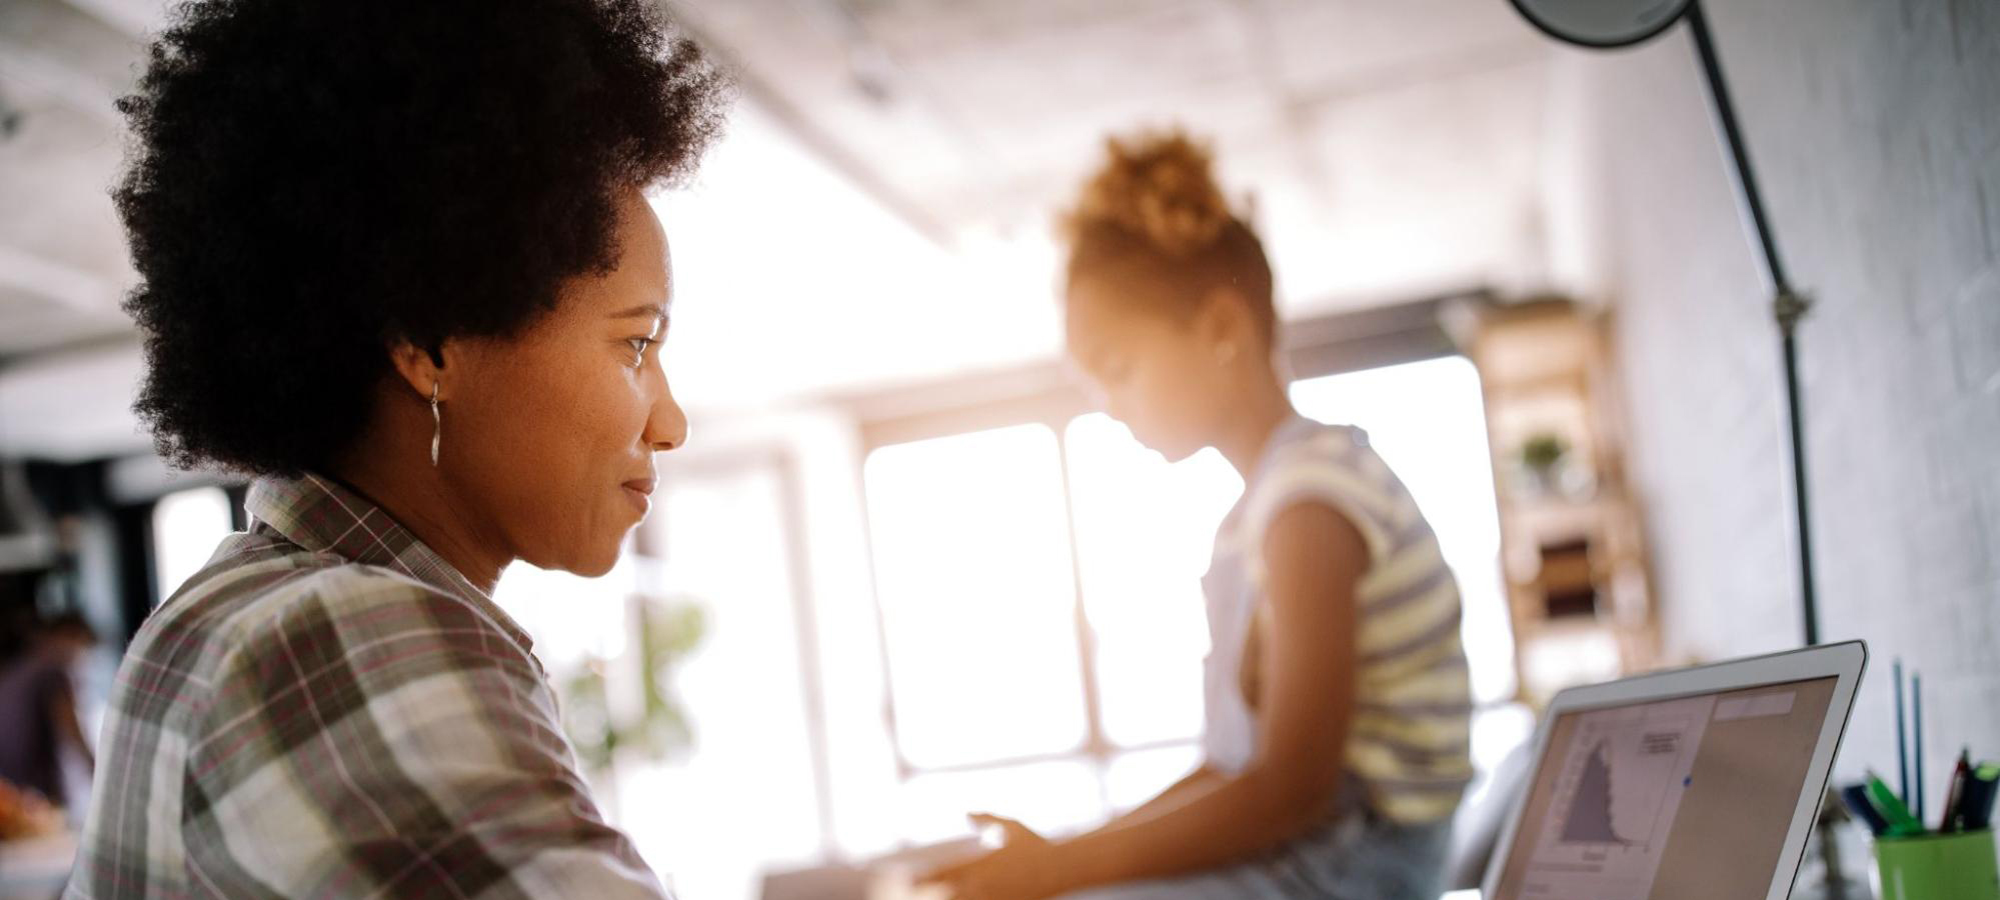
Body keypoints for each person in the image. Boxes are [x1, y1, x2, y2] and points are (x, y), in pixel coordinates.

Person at [66, 0, 727, 896]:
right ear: (430, 346)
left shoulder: (241, 612)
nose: (670, 422)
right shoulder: (322, 637)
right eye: (634, 344)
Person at [925, 132, 1474, 900]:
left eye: (1118, 369)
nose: (1111, 408)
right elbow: (1231, 769)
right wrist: (1067, 854)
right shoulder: (1260, 515)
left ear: (1221, 327)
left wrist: (1063, 869)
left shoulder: (1309, 504)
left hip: (1355, 863)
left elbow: (1293, 791)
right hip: (1315, 845)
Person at [0, 611, 98, 812]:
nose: (81, 658)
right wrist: (100, 775)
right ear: (67, 634)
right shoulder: (54, 672)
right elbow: (73, 731)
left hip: (12, 791)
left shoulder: (14, 670)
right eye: (81, 645)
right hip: (42, 793)